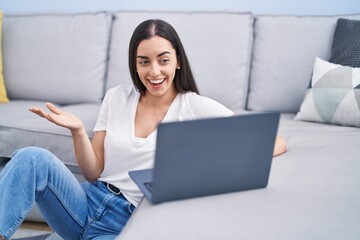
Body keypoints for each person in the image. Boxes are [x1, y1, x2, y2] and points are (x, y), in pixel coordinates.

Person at [0, 19, 286, 240]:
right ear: (134, 66)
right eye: (144, 62)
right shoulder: (116, 97)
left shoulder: (194, 106)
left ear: (177, 62)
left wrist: (211, 159)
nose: (154, 72)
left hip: (127, 223)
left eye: (163, 60)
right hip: (85, 202)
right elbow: (93, 172)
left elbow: (274, 143)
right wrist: (77, 131)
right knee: (31, 158)